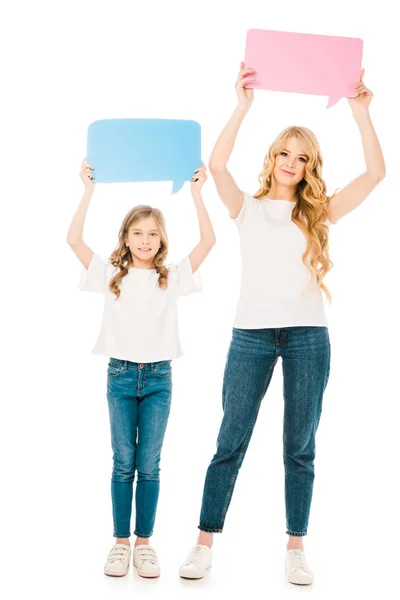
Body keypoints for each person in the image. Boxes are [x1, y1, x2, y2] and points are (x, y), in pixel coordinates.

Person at [179, 62, 385, 585]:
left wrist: (362, 113)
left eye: (303, 157)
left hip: (308, 339)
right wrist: (242, 105)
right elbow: (218, 166)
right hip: (250, 336)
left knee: (300, 445)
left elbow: (376, 175)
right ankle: (204, 542)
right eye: (284, 153)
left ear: (310, 166)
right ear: (272, 158)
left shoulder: (319, 213)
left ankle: (295, 546)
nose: (292, 162)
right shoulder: (246, 208)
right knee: (231, 439)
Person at [67, 158, 215, 578]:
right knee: (122, 461)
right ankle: (119, 543)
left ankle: (144, 544)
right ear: (126, 238)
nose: (145, 240)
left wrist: (197, 194)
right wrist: (87, 189)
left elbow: (209, 242)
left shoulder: (172, 276)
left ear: (162, 239)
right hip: (119, 376)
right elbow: (73, 239)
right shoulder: (112, 274)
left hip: (158, 379)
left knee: (149, 463)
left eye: (152, 233)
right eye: (137, 232)